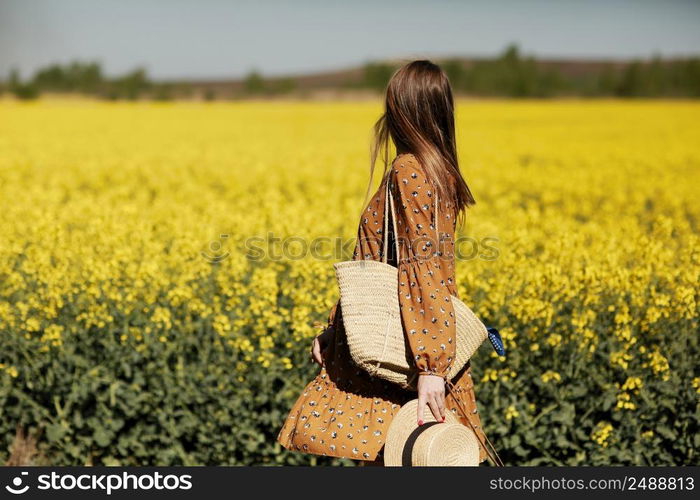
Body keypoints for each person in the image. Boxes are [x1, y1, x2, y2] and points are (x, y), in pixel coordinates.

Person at [277, 60, 489, 465]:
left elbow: (420, 267)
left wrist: (431, 367)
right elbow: (388, 262)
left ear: (401, 111)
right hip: (425, 338)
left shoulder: (408, 170)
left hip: (404, 354)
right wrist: (336, 331)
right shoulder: (440, 171)